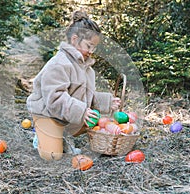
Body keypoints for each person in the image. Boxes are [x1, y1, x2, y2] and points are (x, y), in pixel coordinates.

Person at [27, 11, 120, 161]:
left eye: (94, 48)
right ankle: (42, 136)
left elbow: (86, 95)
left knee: (95, 118)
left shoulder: (87, 69)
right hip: (47, 115)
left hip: (64, 116)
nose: (91, 52)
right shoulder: (59, 64)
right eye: (88, 46)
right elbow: (55, 99)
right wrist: (81, 111)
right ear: (75, 40)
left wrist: (108, 101)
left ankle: (62, 135)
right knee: (52, 156)